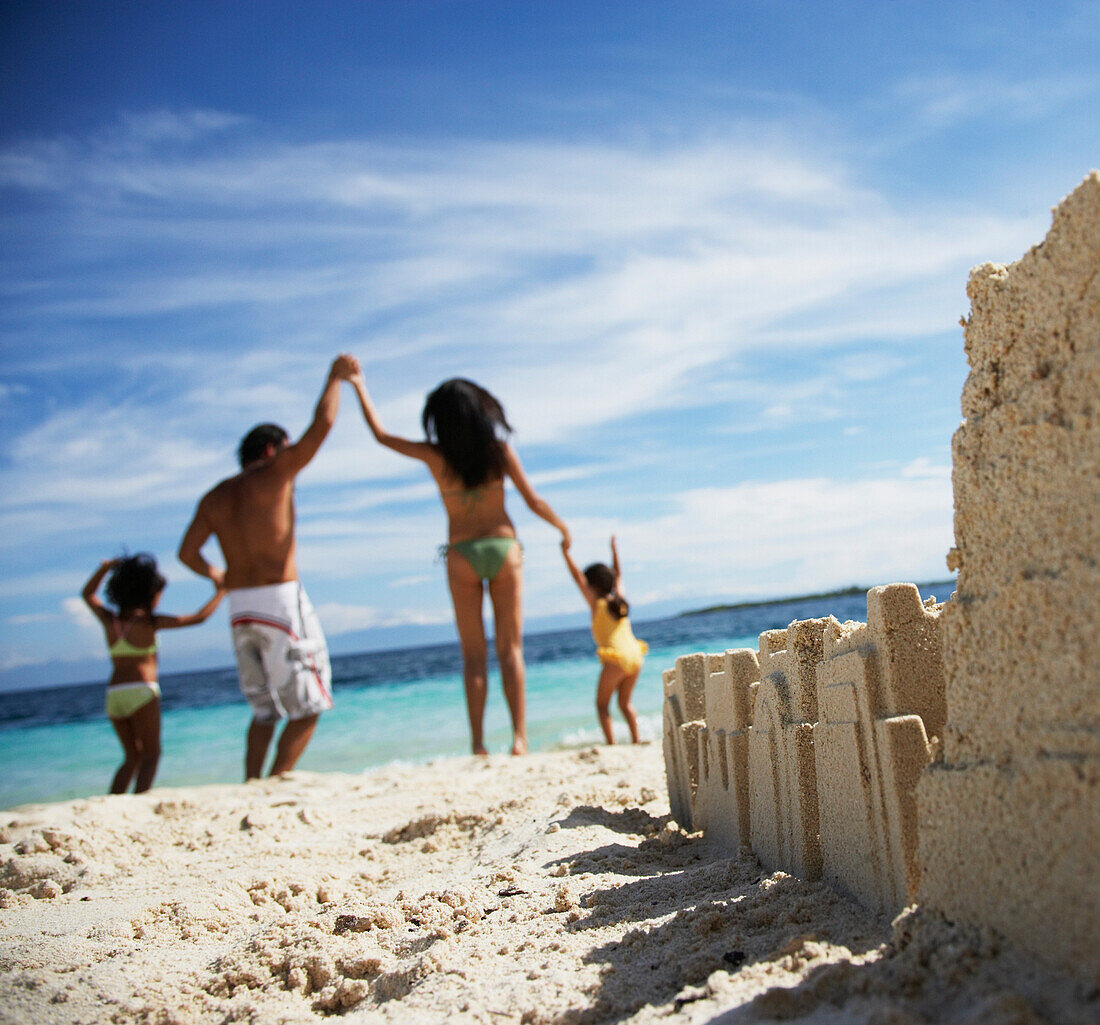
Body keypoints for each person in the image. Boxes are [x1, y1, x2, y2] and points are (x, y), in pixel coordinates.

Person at [349, 374, 570, 756]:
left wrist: (357, 384)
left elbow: (381, 436)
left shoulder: (436, 456)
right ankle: (519, 738)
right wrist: (562, 528)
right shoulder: (499, 451)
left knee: (472, 655)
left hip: (461, 552)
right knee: (510, 649)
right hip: (503, 547)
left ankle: (478, 743)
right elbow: (533, 501)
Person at [177, 354, 359, 779]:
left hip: (239, 608)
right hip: (278, 601)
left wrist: (218, 577)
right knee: (310, 704)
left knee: (264, 710)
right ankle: (277, 782)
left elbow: (187, 553)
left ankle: (251, 782)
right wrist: (334, 379)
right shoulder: (274, 473)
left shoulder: (215, 497)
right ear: (270, 449)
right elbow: (322, 427)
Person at [81, 554, 224, 794]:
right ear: (149, 594)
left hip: (114, 694)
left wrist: (104, 568)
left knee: (131, 757)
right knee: (152, 754)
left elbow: (87, 595)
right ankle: (140, 799)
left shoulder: (110, 620)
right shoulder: (150, 622)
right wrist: (222, 591)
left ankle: (114, 800)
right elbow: (199, 618)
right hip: (142, 690)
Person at [561, 535, 647, 745]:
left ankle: (611, 744)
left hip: (616, 658)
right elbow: (619, 576)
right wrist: (615, 553)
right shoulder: (619, 601)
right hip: (635, 657)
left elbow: (578, 579)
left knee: (602, 705)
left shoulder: (597, 603)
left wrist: (566, 553)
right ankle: (636, 740)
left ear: (593, 586)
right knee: (625, 703)